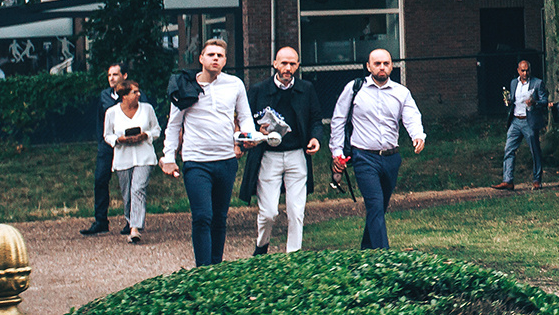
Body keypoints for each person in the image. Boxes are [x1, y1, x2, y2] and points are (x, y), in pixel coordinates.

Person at [160, 37, 256, 267]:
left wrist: (248, 137)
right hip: (196, 161)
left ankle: (216, 267)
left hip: (226, 160)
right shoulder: (184, 85)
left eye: (220, 56)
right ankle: (203, 269)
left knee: (220, 218)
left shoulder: (234, 84)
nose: (215, 58)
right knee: (203, 216)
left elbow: (244, 117)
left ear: (225, 61)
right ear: (201, 58)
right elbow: (174, 125)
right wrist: (169, 157)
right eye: (211, 54)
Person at [328, 48, 426, 251]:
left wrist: (418, 136)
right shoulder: (355, 89)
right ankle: (384, 256)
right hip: (364, 157)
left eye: (386, 63)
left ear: (392, 65)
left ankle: (366, 251)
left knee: (379, 208)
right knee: (374, 203)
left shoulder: (401, 92)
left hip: (391, 158)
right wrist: (337, 152)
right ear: (368, 66)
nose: (382, 67)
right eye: (377, 63)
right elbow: (338, 120)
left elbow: (411, 116)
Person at [245, 45, 324, 255]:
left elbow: (316, 119)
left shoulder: (306, 89)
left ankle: (294, 255)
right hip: (268, 155)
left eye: (292, 63)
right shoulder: (258, 90)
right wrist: (256, 131)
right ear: (275, 64)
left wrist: (315, 138)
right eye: (284, 63)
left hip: (297, 154)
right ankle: (261, 246)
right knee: (268, 212)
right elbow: (245, 120)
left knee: (296, 210)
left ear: (298, 65)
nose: (288, 68)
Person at [102, 78, 160, 244]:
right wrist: (119, 140)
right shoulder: (112, 113)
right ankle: (130, 220)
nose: (138, 94)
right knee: (127, 193)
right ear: (124, 96)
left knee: (138, 189)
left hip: (144, 156)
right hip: (123, 157)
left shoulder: (147, 109)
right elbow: (107, 135)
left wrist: (145, 135)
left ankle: (135, 227)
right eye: (134, 92)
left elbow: (156, 129)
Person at [83, 62, 128, 235]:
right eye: (109, 75)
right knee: (100, 180)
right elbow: (100, 120)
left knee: (127, 182)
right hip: (108, 145)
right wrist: (102, 141)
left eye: (115, 75)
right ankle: (101, 220)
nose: (111, 78)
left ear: (124, 76)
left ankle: (131, 221)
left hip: (127, 145)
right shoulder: (104, 96)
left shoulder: (133, 94)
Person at [494, 57, 550, 191]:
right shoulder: (514, 83)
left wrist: (534, 103)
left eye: (527, 70)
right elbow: (512, 100)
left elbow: (545, 101)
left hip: (529, 120)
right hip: (515, 120)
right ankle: (508, 180)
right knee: (509, 149)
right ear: (518, 70)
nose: (525, 73)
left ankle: (537, 180)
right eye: (523, 71)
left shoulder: (537, 83)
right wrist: (507, 100)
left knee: (534, 150)